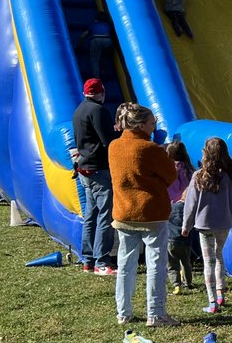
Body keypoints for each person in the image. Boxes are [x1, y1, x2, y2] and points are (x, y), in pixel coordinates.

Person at [108, 103, 177, 326]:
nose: (153, 127)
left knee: (125, 265)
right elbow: (170, 176)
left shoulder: (114, 147)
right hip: (151, 213)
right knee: (155, 263)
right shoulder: (151, 149)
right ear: (140, 124)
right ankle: (156, 314)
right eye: (151, 124)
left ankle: (123, 312)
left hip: (124, 212)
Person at [182, 138, 232, 313]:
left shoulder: (198, 176)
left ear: (205, 153)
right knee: (219, 257)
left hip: (204, 225)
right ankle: (220, 292)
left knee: (208, 261)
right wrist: (229, 214)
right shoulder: (231, 177)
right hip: (224, 223)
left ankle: (212, 302)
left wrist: (186, 225)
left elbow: (190, 204)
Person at [71, 78, 120, 275]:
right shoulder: (98, 110)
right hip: (98, 168)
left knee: (90, 214)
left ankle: (88, 259)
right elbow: (108, 140)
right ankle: (102, 261)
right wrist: (120, 132)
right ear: (101, 93)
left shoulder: (79, 110)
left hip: (84, 168)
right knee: (104, 215)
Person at [165, 140, 195, 293]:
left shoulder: (167, 169)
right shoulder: (189, 171)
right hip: (186, 206)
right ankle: (188, 281)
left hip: (169, 206)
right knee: (186, 252)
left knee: (171, 253)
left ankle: (176, 282)